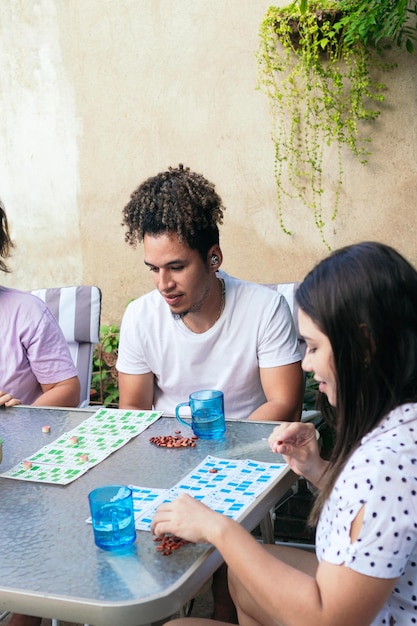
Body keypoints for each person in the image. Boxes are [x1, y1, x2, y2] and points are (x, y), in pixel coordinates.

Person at [151, 241, 417, 626]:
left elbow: (329, 619)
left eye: (312, 346)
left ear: (364, 346)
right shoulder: (400, 423)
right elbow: (377, 516)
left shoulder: (386, 460)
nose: (307, 364)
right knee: (245, 579)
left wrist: (217, 528)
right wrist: (317, 468)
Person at [117, 164, 304, 423]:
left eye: (176, 267)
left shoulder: (265, 309)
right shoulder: (140, 316)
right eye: (154, 269)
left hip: (249, 451)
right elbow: (133, 410)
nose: (163, 284)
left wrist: (223, 450)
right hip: (169, 450)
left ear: (213, 257)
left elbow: (285, 404)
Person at [0, 201, 81, 626]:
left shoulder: (24, 312)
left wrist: (17, 415)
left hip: (26, 469)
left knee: (36, 570)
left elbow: (68, 390)